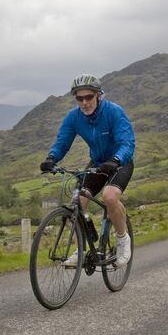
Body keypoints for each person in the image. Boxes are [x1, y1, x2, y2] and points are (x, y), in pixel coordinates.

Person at [39, 74, 135, 266]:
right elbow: (62, 142)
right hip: (98, 163)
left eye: (89, 97)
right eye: (79, 98)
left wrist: (116, 159)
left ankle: (123, 240)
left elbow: (127, 142)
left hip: (120, 161)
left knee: (109, 197)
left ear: (99, 95)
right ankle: (82, 248)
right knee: (78, 200)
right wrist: (52, 158)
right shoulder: (74, 117)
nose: (84, 102)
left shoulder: (114, 112)